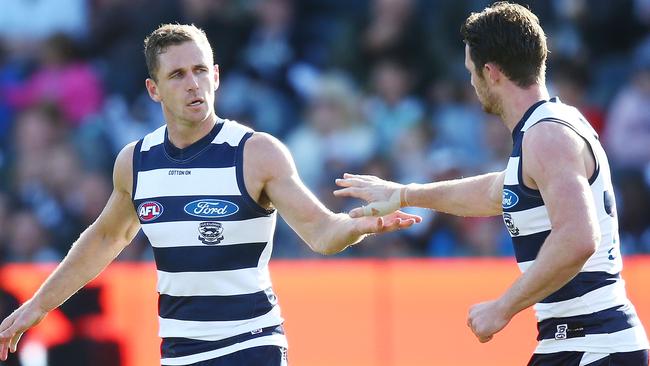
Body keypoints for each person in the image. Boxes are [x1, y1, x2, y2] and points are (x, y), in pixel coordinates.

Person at [0, 24, 421, 365]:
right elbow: (106, 238)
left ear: (216, 76)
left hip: (250, 345)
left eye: (201, 70)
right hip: (178, 353)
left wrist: (357, 226)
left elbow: (321, 233)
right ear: (153, 89)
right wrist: (38, 306)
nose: (193, 83)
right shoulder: (137, 161)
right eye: (178, 75)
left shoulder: (255, 152)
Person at [334, 2, 649, 365]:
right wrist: (404, 194)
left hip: (592, 344)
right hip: (580, 341)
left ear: (492, 72)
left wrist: (503, 307)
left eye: (472, 71)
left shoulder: (546, 136)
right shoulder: (549, 126)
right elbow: (494, 192)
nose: (471, 82)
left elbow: (578, 237)